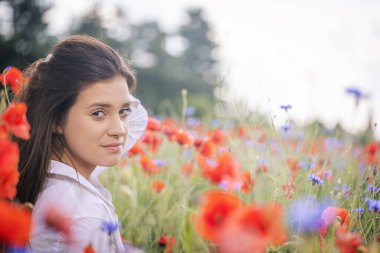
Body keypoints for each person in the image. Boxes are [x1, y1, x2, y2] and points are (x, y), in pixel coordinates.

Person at [14, 35, 148, 252]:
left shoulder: (43, 177)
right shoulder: (87, 214)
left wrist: (52, 76)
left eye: (124, 112)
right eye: (98, 113)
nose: (120, 130)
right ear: (57, 118)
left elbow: (139, 117)